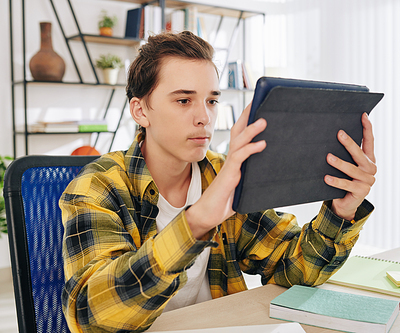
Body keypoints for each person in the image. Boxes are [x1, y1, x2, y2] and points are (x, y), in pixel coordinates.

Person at [60, 31, 376, 333]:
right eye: (184, 100)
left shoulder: (223, 174)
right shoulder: (97, 186)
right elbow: (93, 319)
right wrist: (195, 223)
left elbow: (292, 269)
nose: (205, 118)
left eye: (211, 101)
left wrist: (341, 212)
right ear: (140, 110)